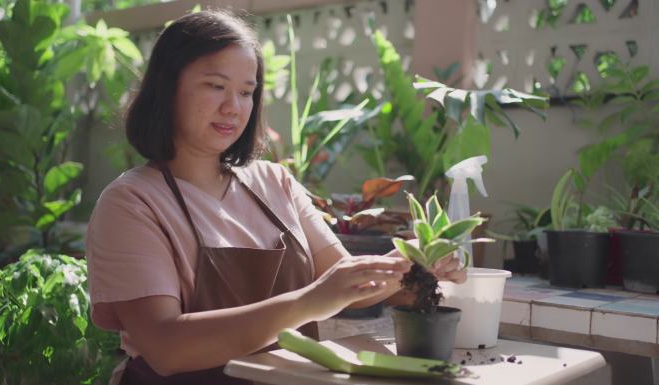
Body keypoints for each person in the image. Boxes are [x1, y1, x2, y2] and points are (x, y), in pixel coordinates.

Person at [86, 9, 466, 385]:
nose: (233, 107)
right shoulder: (131, 203)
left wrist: (413, 266)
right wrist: (308, 302)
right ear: (167, 88)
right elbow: (167, 348)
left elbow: (348, 288)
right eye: (216, 86)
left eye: (246, 92)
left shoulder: (274, 182)